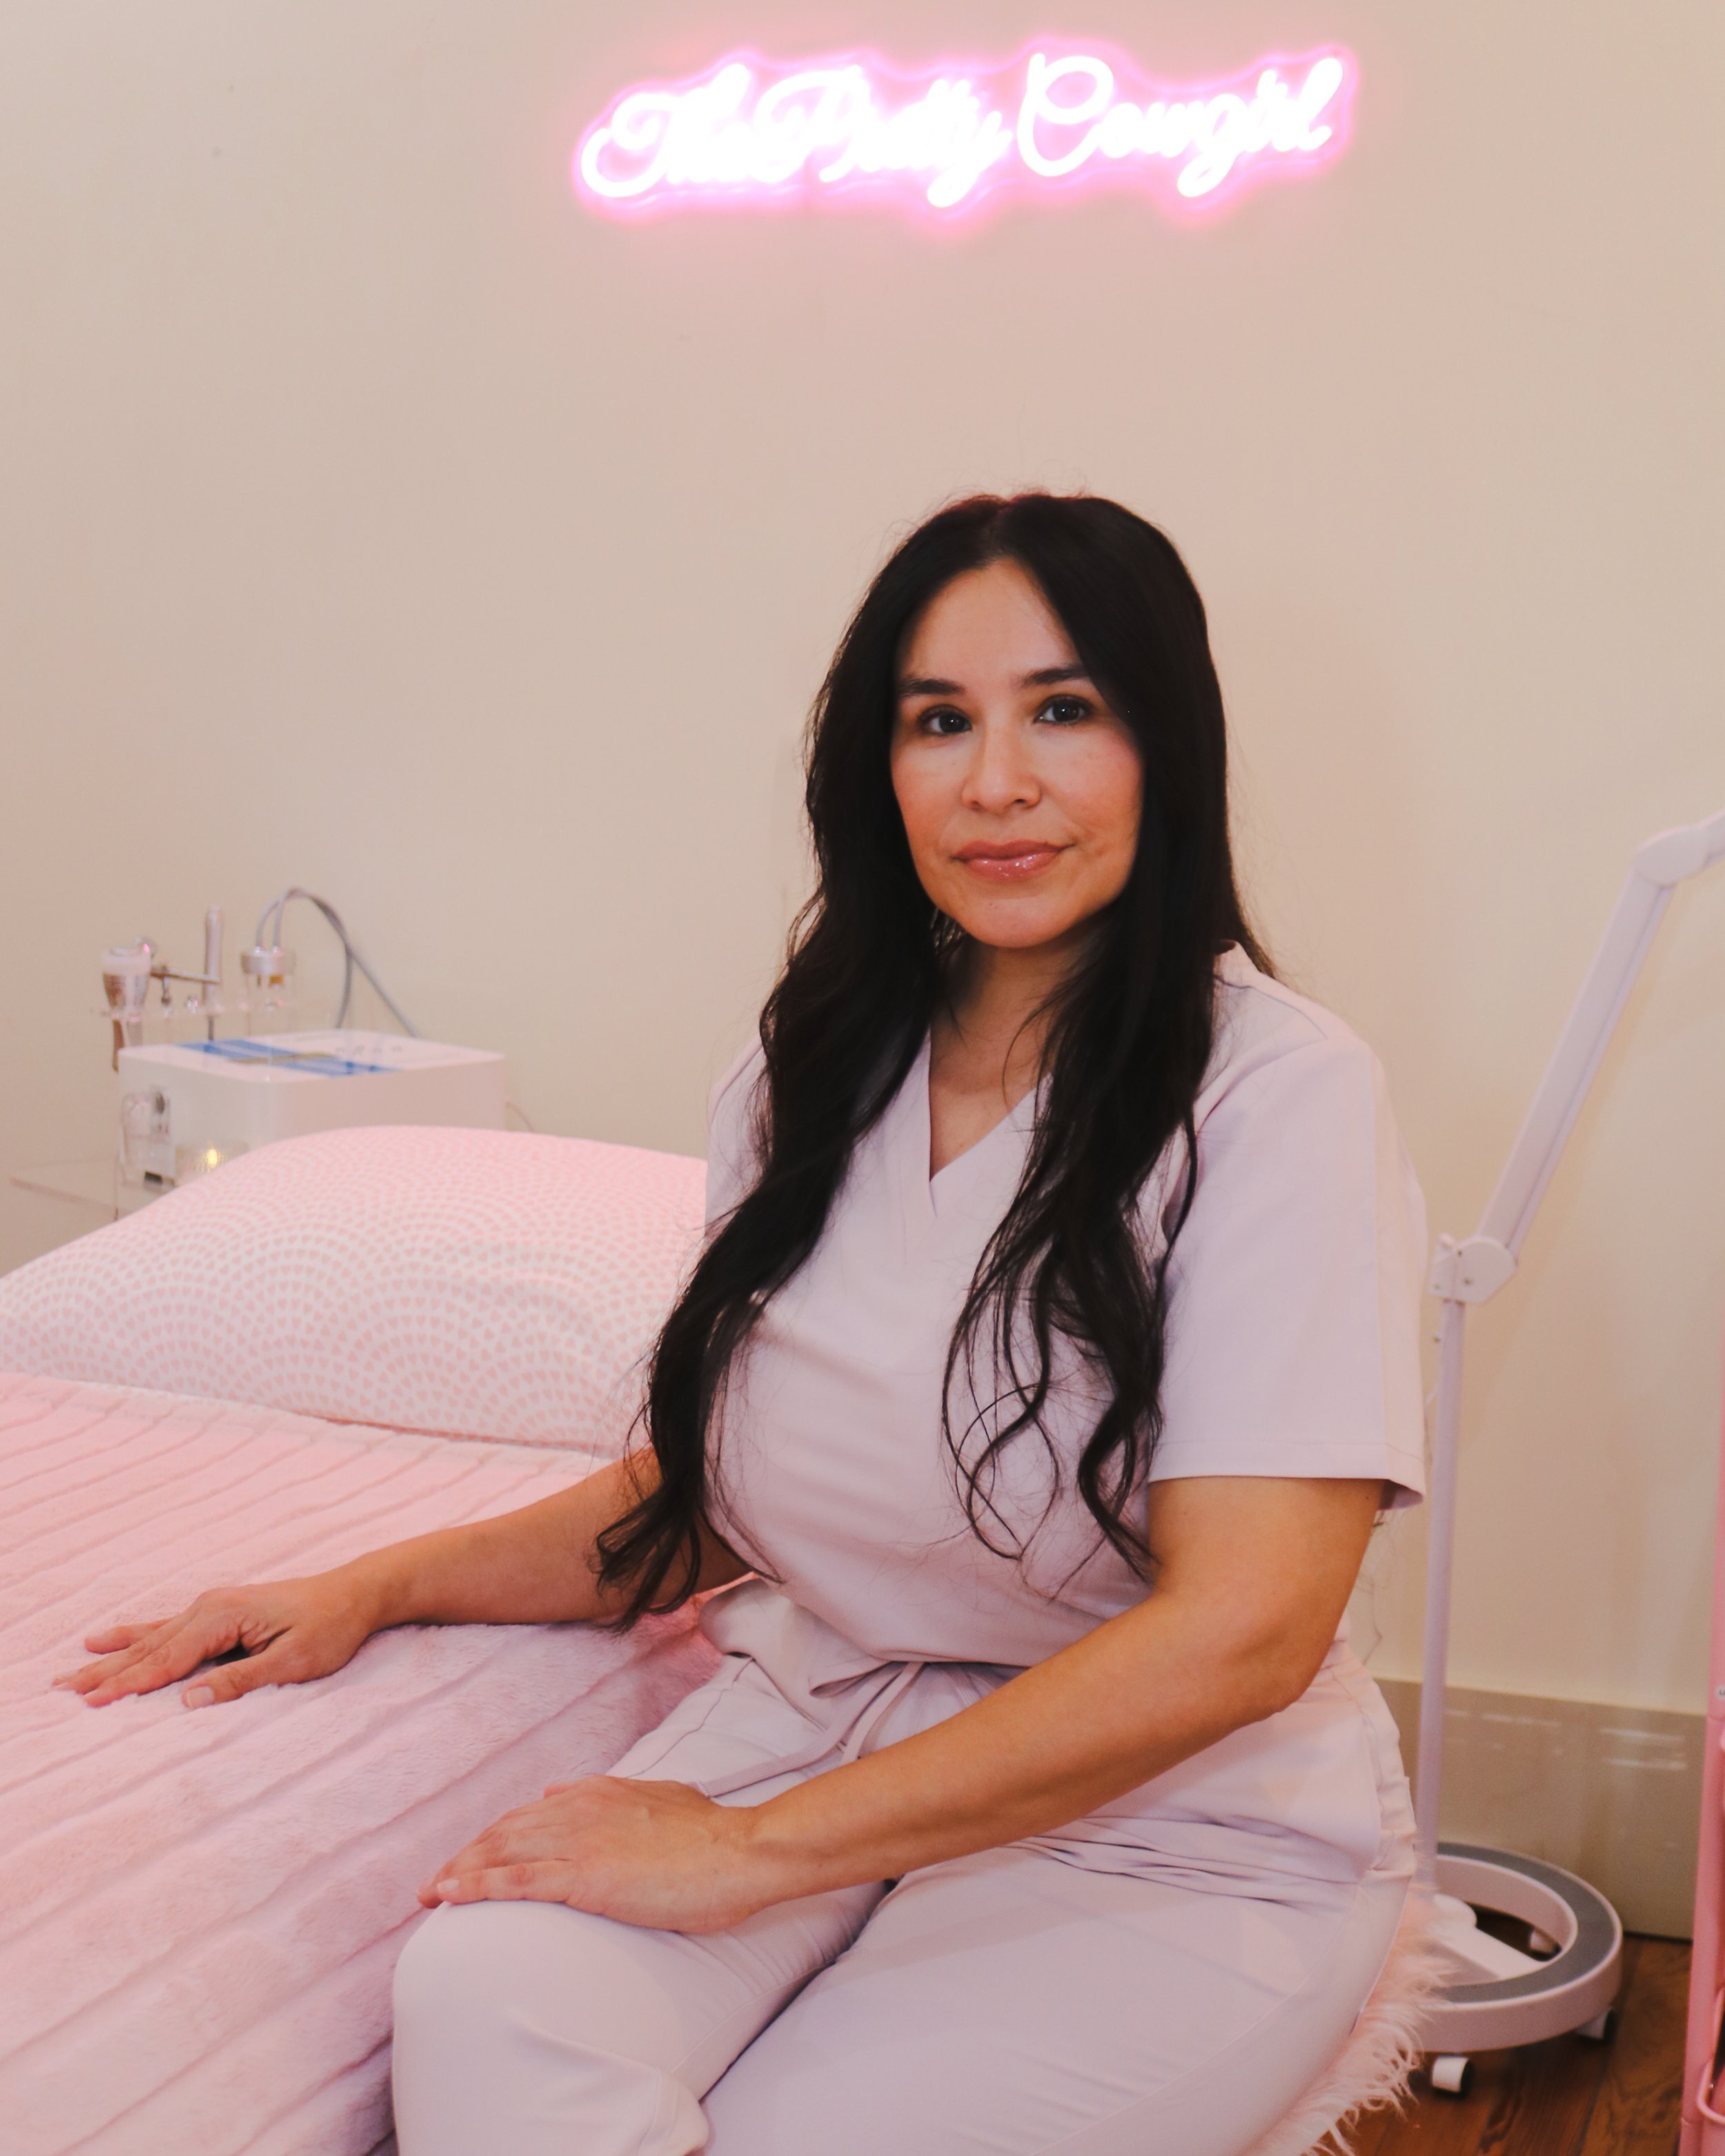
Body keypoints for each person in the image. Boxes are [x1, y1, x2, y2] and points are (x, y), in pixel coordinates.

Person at [62, 494, 1428, 2156]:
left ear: (1168, 747)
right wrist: (373, 1586)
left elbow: (1243, 1632)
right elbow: (716, 1498)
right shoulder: (808, 1073)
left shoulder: (1276, 1090)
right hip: (815, 1727)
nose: (995, 780)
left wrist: (742, 1855)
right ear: (879, 770)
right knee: (486, 1997)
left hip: (1159, 1823)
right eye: (938, 723)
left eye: (1063, 710)